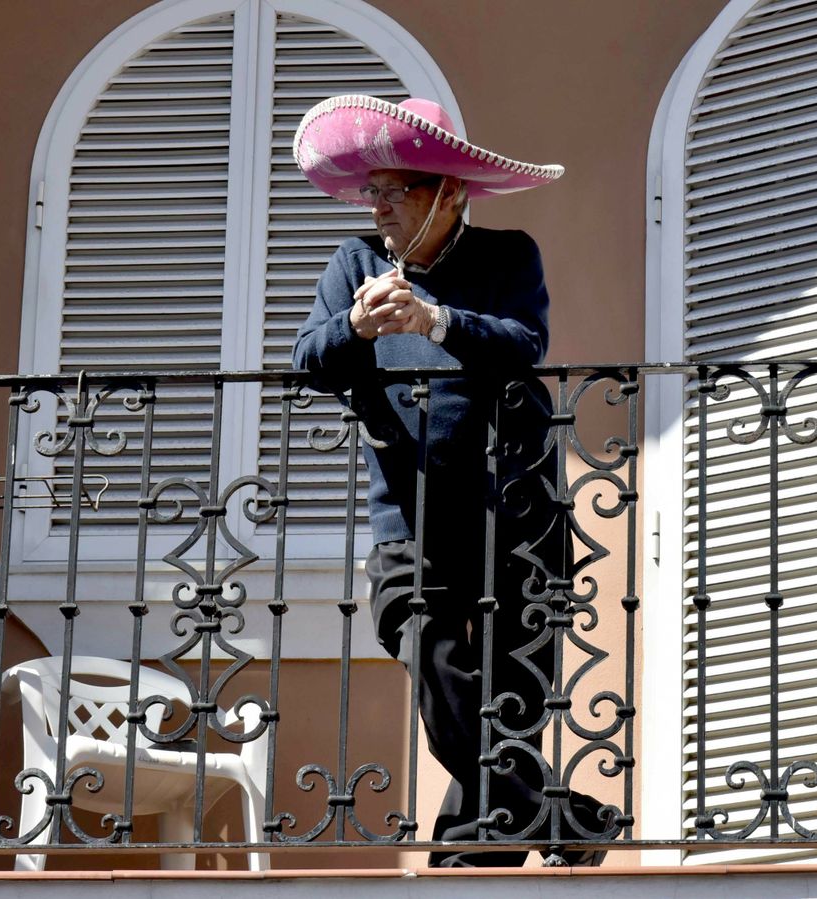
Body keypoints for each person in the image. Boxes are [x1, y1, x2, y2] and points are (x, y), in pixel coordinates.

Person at [291, 95, 610, 867]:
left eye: (397, 190)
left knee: (513, 696)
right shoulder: (353, 264)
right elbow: (308, 359)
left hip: (520, 506)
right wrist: (357, 329)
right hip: (411, 514)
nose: (381, 205)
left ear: (450, 193)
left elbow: (524, 342)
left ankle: (471, 866)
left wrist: (433, 322)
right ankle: (564, 818)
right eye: (375, 191)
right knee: (430, 653)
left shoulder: (509, 256)